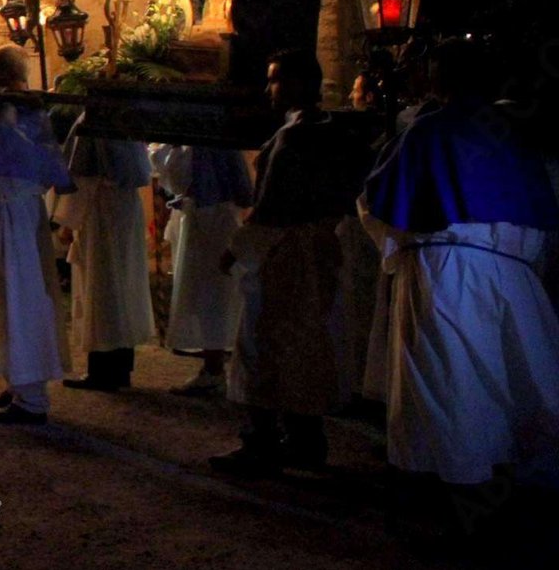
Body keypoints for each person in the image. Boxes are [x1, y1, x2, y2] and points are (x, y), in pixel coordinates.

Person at [362, 39, 559, 487]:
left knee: (452, 391)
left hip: (444, 277)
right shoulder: (513, 130)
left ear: (440, 76)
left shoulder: (430, 129)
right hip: (511, 274)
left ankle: (462, 500)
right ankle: (504, 496)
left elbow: (380, 203)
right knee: (509, 381)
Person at [210, 49, 366, 476]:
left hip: (286, 255)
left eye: (275, 78)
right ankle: (304, 441)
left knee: (261, 345)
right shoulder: (333, 131)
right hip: (322, 253)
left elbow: (270, 208)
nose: (269, 88)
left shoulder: (293, 138)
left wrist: (235, 250)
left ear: (299, 83)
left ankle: (260, 442)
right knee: (305, 348)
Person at [0, 46, 72, 424]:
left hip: (14, 215)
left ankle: (32, 396)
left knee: (21, 298)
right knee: (2, 300)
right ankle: (15, 382)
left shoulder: (24, 112)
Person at [55, 120, 155, 391]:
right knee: (121, 287)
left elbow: (81, 177)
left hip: (99, 212)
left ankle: (104, 370)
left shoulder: (91, 126)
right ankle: (120, 367)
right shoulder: (125, 125)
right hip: (122, 209)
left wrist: (68, 222)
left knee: (101, 291)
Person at [152, 145, 253, 395]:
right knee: (210, 294)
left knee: (210, 294)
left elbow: (176, 177)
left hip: (209, 221)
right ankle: (214, 365)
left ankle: (214, 369)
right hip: (213, 217)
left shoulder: (200, 148)